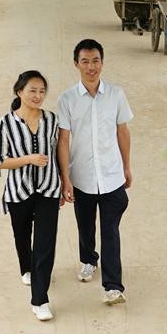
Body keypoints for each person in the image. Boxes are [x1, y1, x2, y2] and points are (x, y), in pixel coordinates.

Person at [57, 39, 133, 306]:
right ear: (76, 64)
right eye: (85, 61)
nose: (91, 67)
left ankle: (113, 287)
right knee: (85, 225)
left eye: (96, 61)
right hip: (83, 176)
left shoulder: (116, 95)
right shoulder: (66, 99)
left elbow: (122, 132)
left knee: (110, 229)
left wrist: (126, 166)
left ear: (102, 62)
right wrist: (65, 178)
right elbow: (63, 141)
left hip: (111, 174)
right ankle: (88, 259)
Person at [0, 71, 61, 321]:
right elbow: (0, 160)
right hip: (18, 191)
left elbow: (59, 153)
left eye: (42, 91)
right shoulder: (6, 123)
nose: (38, 95)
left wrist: (65, 184)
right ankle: (26, 268)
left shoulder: (52, 120)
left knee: (45, 243)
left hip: (49, 189)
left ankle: (39, 300)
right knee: (23, 237)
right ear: (19, 91)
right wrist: (28, 160)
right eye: (32, 90)